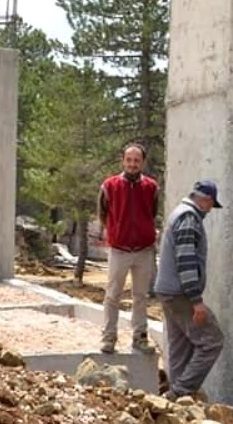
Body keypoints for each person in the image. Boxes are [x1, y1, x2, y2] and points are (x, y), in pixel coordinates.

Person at [154, 180, 226, 398]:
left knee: (180, 348)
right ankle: (179, 392)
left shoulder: (179, 213)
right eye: (211, 206)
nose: (209, 211)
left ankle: (175, 407)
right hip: (180, 293)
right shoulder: (188, 219)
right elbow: (185, 262)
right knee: (212, 341)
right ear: (206, 200)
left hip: (168, 290)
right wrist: (196, 301)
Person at [97, 143, 160, 354]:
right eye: (129, 160)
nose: (133, 164)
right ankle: (109, 337)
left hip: (143, 250)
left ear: (142, 162)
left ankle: (140, 337)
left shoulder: (151, 187)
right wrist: (115, 231)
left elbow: (152, 212)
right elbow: (103, 213)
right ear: (123, 161)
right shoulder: (110, 185)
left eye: (137, 160)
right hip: (119, 250)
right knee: (113, 295)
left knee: (141, 296)